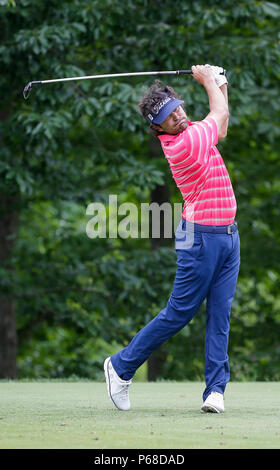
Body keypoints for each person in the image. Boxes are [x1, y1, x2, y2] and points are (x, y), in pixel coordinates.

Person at [104, 64, 240, 413]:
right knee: (179, 313)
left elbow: (221, 126)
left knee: (220, 315)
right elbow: (219, 113)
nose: (178, 116)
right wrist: (209, 80)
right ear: (157, 127)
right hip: (200, 239)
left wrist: (220, 82)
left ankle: (215, 391)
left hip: (227, 236)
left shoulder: (194, 129)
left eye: (177, 108)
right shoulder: (183, 144)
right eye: (168, 116)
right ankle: (120, 366)